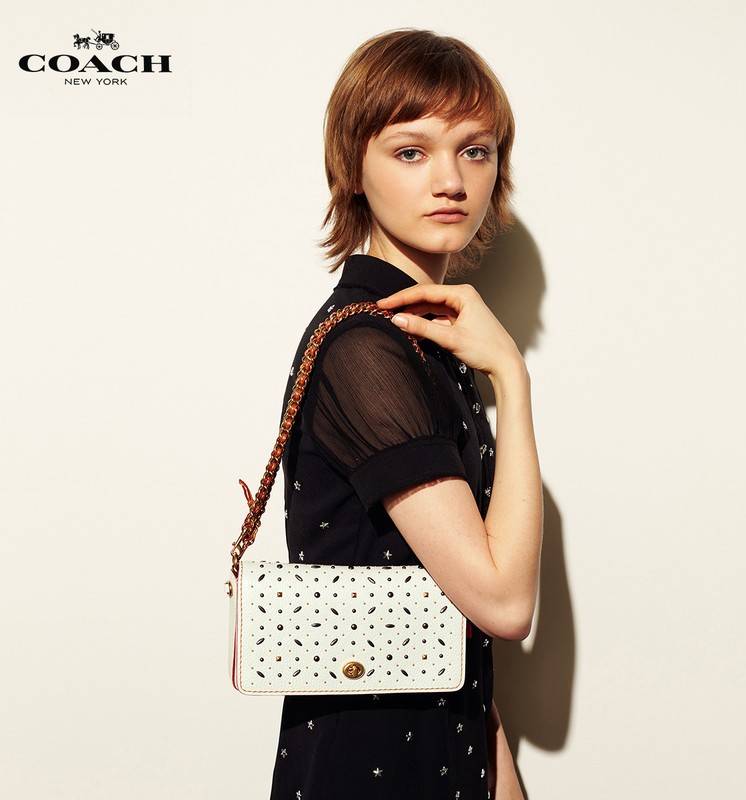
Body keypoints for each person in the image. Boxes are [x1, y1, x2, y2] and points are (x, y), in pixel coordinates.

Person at [270, 29, 542, 800]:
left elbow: (445, 607)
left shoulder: (422, 342)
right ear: (352, 168)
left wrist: (500, 772)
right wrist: (513, 379)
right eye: (411, 151)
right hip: (375, 765)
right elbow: (503, 603)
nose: (450, 180)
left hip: (442, 752)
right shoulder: (366, 349)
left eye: (475, 150)